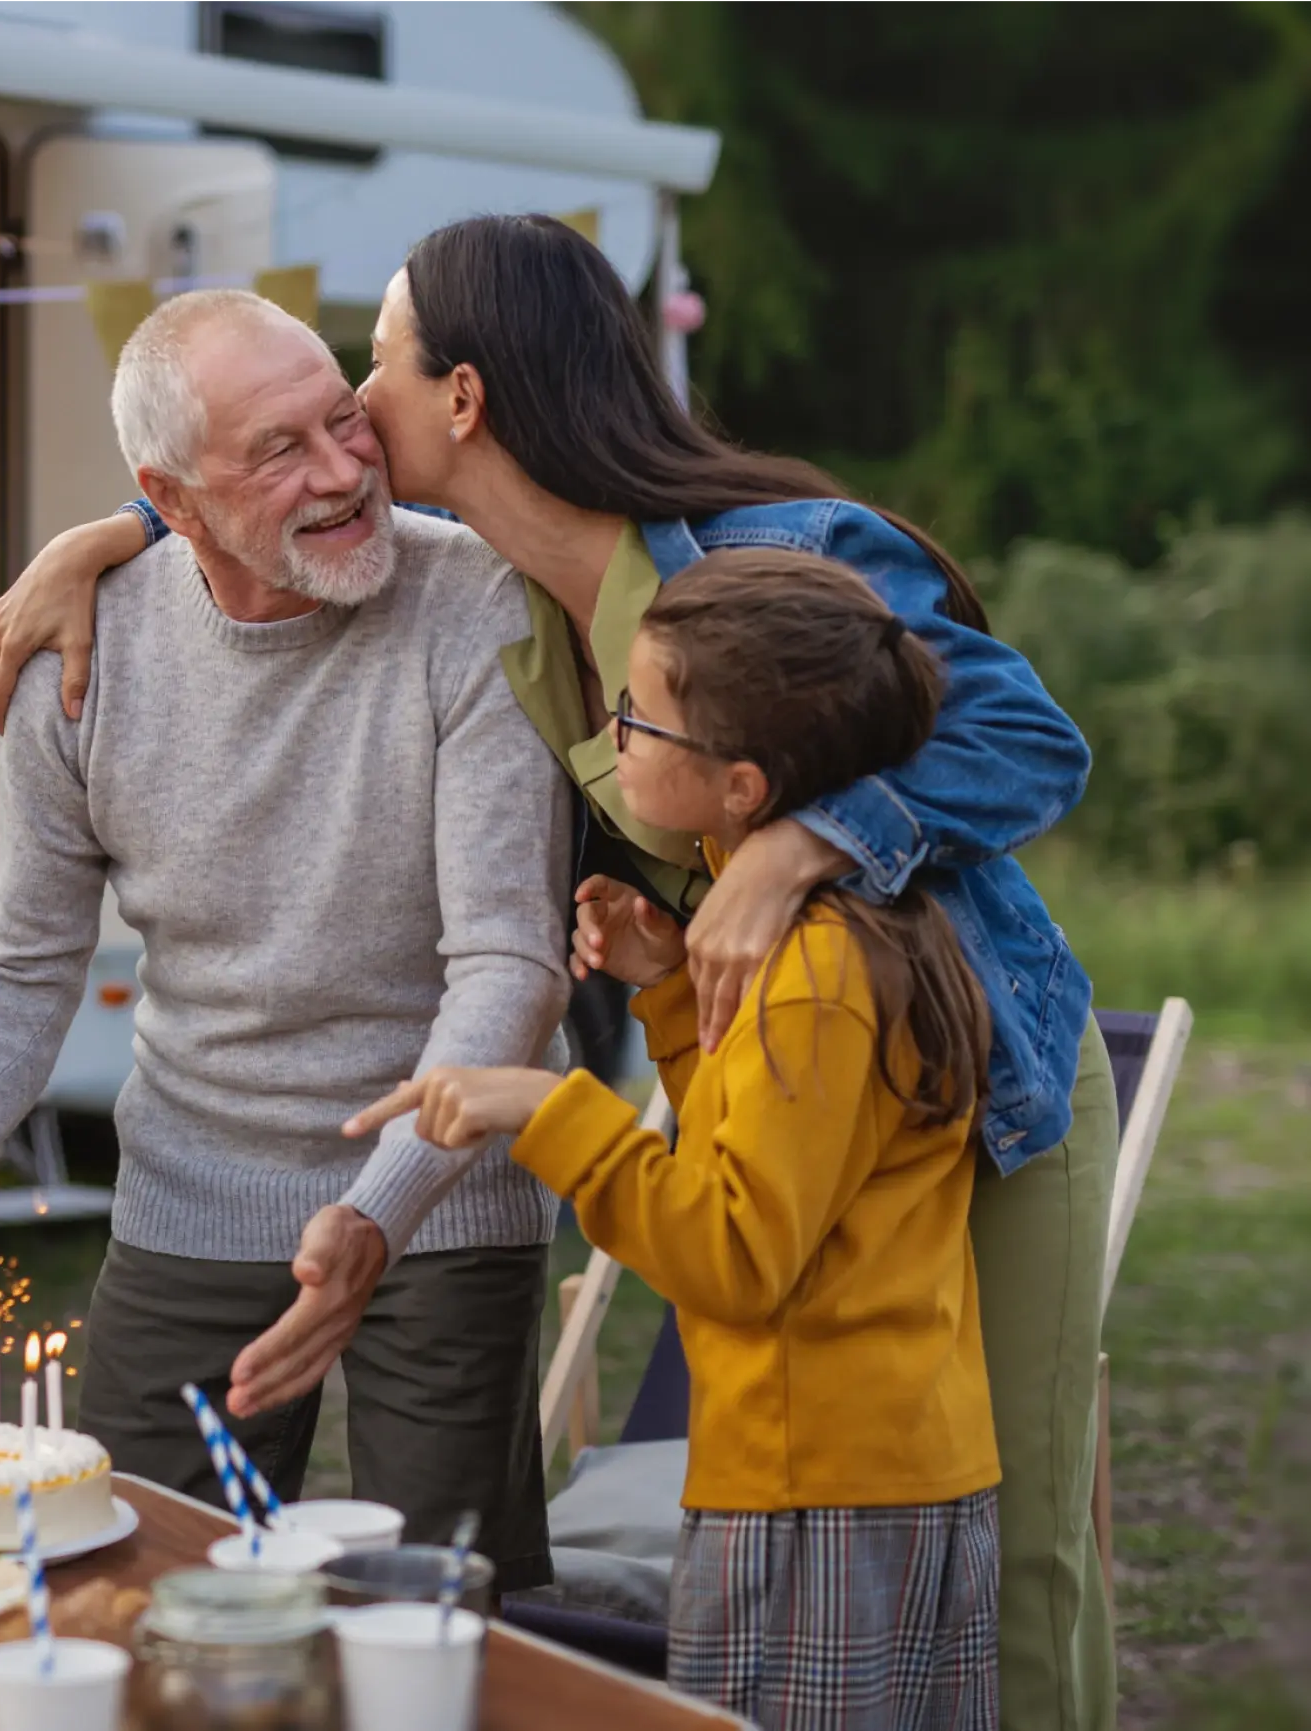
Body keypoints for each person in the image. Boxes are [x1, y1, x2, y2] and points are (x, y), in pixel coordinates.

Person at [0, 218, 1114, 1731]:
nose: (348, 411)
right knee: (844, 1523)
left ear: (460, 398)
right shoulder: (518, 609)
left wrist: (801, 847)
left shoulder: (763, 555)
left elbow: (1037, 739)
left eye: (369, 368)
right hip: (779, 1094)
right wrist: (102, 538)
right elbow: (230, 502)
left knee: (1008, 1537)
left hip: (965, 1077)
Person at [0, 289, 574, 1581]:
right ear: (171, 496)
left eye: (339, 421)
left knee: (442, 1610)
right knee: (125, 1582)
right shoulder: (72, 657)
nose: (342, 472)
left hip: (439, 1195)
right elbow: (28, 967)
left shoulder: (474, 604)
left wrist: (375, 1211)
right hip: (195, 1184)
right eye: (279, 450)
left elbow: (510, 962)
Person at [356, 552, 1003, 1727]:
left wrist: (543, 1111)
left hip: (813, 1501)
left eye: (635, 716)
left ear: (741, 784)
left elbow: (734, 1253)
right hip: (875, 1471)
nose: (612, 734)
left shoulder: (812, 974)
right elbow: (767, 1159)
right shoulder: (845, 930)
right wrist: (664, 991)